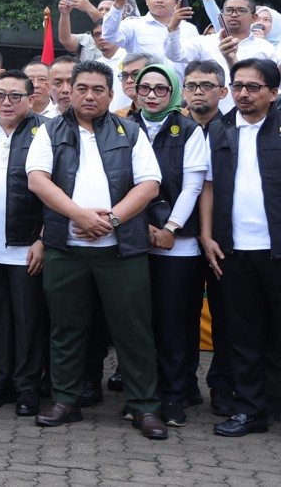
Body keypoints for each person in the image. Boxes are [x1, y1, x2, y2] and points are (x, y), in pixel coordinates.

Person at [26, 59, 167, 440]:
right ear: (69, 91)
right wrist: (80, 217)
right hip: (65, 249)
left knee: (134, 330)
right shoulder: (50, 131)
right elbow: (38, 181)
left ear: (111, 94)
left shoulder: (131, 131)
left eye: (98, 89)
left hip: (122, 251)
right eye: (82, 88)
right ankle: (65, 401)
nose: (90, 95)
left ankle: (144, 407)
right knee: (66, 328)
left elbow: (149, 185)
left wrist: (112, 221)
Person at [200, 58, 281, 437]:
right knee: (243, 336)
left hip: (276, 250)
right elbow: (209, 186)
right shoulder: (219, 129)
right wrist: (207, 235)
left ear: (273, 92)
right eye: (238, 86)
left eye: (254, 87)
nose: (244, 93)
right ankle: (251, 412)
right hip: (233, 251)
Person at [130, 63, 208, 428]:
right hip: (135, 239)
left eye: (161, 89)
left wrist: (171, 228)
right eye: (144, 87)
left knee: (175, 324)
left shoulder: (188, 129)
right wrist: (142, 226)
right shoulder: (125, 126)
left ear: (173, 92)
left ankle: (175, 395)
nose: (151, 95)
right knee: (141, 323)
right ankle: (143, 393)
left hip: (177, 245)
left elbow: (193, 186)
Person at [0, 70, 47, 416]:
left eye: (15, 96)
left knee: (28, 321)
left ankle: (27, 386)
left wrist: (43, 239)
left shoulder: (45, 131)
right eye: (0, 94)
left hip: (26, 245)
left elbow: (59, 187)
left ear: (30, 99)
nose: (6, 102)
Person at [181, 59, 238, 417]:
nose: (198, 90)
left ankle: (223, 386)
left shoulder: (235, 130)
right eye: (191, 85)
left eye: (206, 84)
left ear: (223, 91)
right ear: (183, 91)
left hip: (227, 242)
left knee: (227, 317)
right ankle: (183, 384)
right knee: (179, 315)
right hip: (180, 241)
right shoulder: (174, 129)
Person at [104, 0, 199, 74]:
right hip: (144, 87)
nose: (159, 0)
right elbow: (109, 35)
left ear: (176, 2)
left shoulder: (190, 29)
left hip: (179, 87)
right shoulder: (133, 25)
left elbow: (195, 63)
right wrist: (118, 5)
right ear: (146, 0)